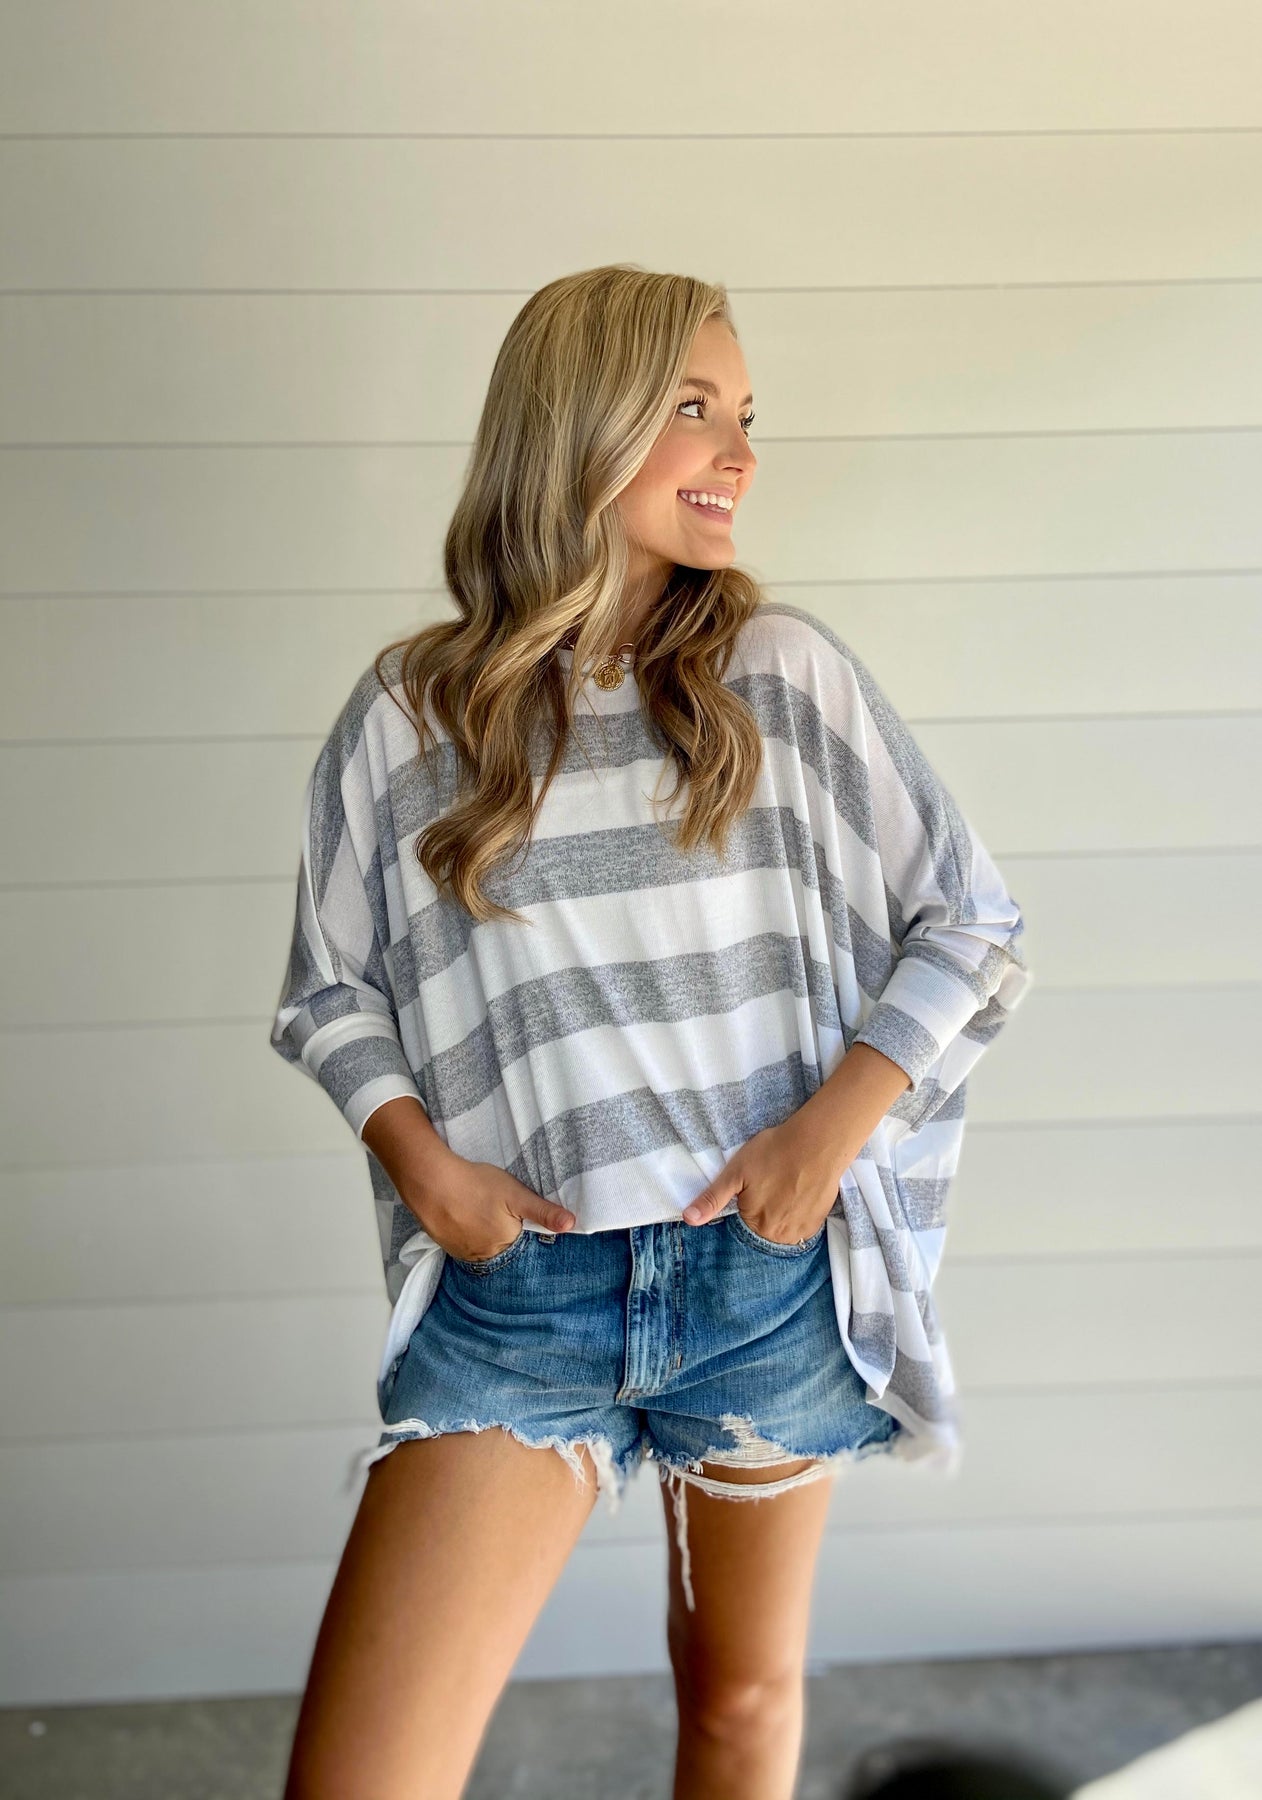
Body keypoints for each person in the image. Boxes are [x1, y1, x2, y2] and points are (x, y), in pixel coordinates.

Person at [268, 263, 1034, 1800]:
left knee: (739, 1710)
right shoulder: (411, 712)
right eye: (694, 408)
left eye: (746, 414)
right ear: (578, 420)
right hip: (521, 1294)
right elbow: (327, 989)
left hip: (759, 1281)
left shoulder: (780, 677)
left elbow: (971, 925)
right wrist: (425, 1169)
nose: (738, 452)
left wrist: (825, 1140)